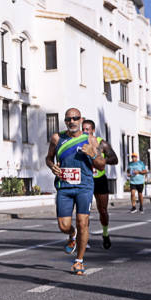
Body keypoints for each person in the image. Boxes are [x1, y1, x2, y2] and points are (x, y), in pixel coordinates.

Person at [45, 107, 106, 275]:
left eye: (75, 118)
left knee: (83, 222)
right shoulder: (57, 138)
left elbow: (101, 165)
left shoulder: (91, 140)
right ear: (65, 121)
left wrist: (93, 155)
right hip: (64, 186)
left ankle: (79, 261)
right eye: (68, 119)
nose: (72, 121)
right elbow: (48, 158)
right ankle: (72, 235)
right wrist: (52, 166)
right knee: (63, 225)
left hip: (84, 186)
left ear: (81, 120)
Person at [82, 119, 119, 249]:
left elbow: (115, 159)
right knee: (84, 211)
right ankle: (84, 239)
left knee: (102, 210)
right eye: (83, 129)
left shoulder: (101, 143)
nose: (85, 132)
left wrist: (101, 160)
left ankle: (105, 233)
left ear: (93, 130)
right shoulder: (79, 142)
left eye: (87, 129)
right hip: (85, 179)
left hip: (100, 179)